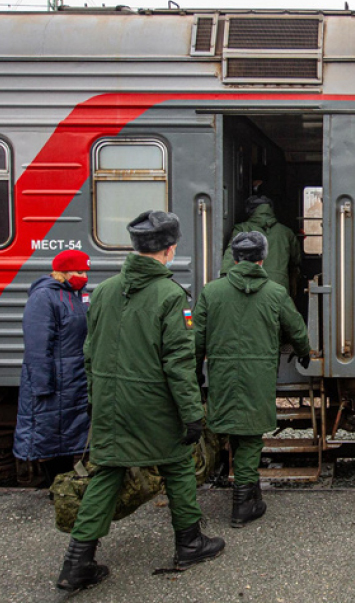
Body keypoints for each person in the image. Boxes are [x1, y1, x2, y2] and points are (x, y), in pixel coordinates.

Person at [55, 211, 224, 592]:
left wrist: (94, 399)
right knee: (179, 464)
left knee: (108, 471)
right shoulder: (171, 296)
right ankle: (190, 543)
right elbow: (178, 365)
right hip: (155, 407)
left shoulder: (104, 291)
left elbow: (88, 351)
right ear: (170, 248)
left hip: (111, 403)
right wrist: (192, 414)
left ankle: (76, 563)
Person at [195, 231, 311, 528]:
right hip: (258, 373)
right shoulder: (274, 292)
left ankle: (248, 493)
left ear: (234, 258)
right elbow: (296, 327)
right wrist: (303, 353)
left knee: (235, 430)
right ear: (263, 258)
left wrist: (195, 370)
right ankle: (242, 504)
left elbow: (196, 338)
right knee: (250, 435)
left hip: (222, 372)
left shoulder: (212, 291)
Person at [14, 250, 91, 486]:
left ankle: (61, 488)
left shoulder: (74, 295)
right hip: (54, 383)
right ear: (63, 272)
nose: (84, 276)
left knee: (66, 438)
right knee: (50, 438)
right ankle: (53, 487)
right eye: (79, 271)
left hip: (73, 381)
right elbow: (37, 345)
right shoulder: (44, 297)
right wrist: (41, 385)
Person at [220, 184, 301, 297]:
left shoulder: (242, 229)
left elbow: (231, 254)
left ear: (249, 210)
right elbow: (297, 259)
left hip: (252, 284)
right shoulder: (286, 232)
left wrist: (223, 278)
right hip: (279, 285)